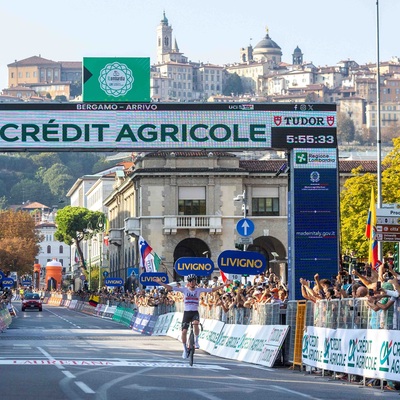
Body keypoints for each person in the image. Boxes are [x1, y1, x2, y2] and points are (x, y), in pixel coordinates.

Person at [154, 273, 228, 358]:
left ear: (195, 282)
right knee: (184, 332)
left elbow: (212, 290)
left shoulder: (199, 290)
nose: (192, 283)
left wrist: (225, 285)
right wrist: (160, 283)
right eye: (190, 281)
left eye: (193, 281)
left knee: (196, 323)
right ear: (188, 282)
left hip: (195, 312)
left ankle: (196, 341)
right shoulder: (184, 290)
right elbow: (171, 288)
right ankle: (185, 349)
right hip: (187, 313)